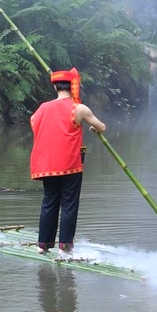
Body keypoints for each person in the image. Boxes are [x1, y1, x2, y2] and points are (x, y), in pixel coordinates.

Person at [30, 67, 105, 255]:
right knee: (69, 204)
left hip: (48, 166)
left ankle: (43, 245)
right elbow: (101, 126)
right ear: (73, 86)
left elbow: (33, 122)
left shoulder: (42, 108)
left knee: (49, 202)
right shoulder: (78, 109)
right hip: (71, 165)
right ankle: (65, 248)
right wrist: (94, 129)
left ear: (55, 87)